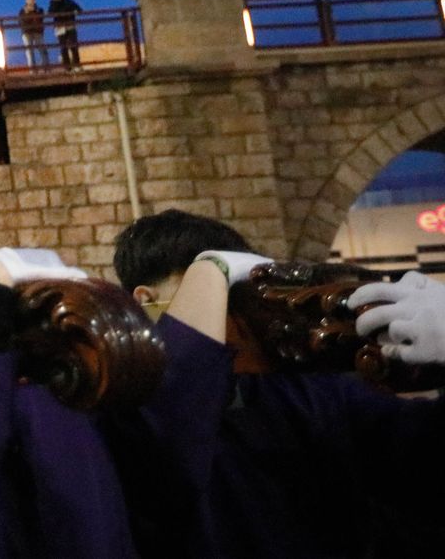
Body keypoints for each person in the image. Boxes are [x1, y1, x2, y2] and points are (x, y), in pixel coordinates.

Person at [107, 209, 445, 559]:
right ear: (146, 302)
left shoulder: (306, 392)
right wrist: (211, 271)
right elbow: (169, 440)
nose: (234, 315)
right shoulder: (121, 405)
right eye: (212, 294)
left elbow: (421, 457)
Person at [49, 0, 83, 70]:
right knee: (63, 48)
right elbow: (50, 13)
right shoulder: (52, 4)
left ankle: (77, 65)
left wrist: (75, 12)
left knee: (73, 46)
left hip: (70, 26)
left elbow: (79, 9)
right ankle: (67, 68)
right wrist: (54, 4)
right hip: (60, 27)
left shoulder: (68, 2)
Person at [18, 0, 47, 69]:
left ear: (34, 0)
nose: (30, 1)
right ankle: (33, 70)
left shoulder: (39, 10)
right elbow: (21, 22)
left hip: (37, 31)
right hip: (27, 32)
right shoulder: (22, 11)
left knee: (42, 50)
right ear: (26, 0)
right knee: (30, 52)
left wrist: (33, 13)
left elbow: (41, 18)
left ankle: (46, 68)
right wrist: (27, 14)